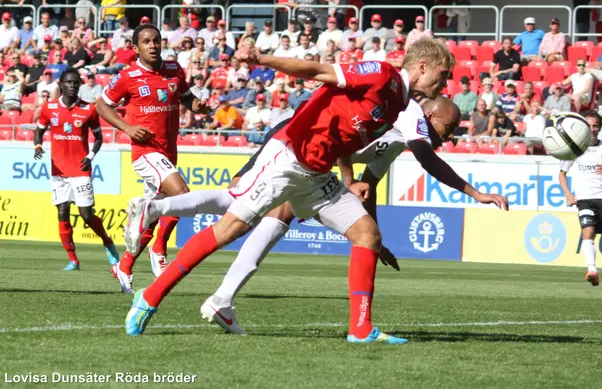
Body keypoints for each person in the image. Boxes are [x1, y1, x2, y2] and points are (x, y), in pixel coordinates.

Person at [121, 38, 467, 342]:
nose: (445, 81)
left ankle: (361, 330)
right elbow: (318, 71)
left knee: (367, 235)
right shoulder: (381, 75)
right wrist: (261, 61)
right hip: (290, 157)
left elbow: (346, 134)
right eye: (444, 73)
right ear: (424, 66)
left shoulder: (398, 104)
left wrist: (347, 178)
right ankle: (149, 296)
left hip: (318, 173)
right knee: (230, 228)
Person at [95, 24, 208, 293]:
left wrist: (199, 107)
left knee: (155, 214)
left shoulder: (173, 69)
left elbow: (186, 97)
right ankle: (159, 250)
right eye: (146, 41)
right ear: (136, 48)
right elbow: (101, 105)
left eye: (156, 40)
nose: (153, 45)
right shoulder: (128, 76)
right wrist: (127, 127)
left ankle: (123, 265)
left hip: (168, 151)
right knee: (181, 194)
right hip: (145, 153)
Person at [33, 68, 118, 270]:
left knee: (86, 215)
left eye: (75, 83)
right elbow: (39, 130)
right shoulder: (48, 108)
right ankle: (73, 259)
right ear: (61, 85)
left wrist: (90, 156)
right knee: (62, 212)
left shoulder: (89, 109)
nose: (72, 85)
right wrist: (37, 146)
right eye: (69, 82)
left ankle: (107, 241)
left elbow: (98, 138)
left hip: (80, 169)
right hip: (59, 171)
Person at [559, 111, 602, 289]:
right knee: (588, 231)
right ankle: (592, 270)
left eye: (595, 126)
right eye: (588, 126)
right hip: (584, 199)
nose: (592, 129)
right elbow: (562, 174)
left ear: (600, 128)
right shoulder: (574, 149)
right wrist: (568, 195)